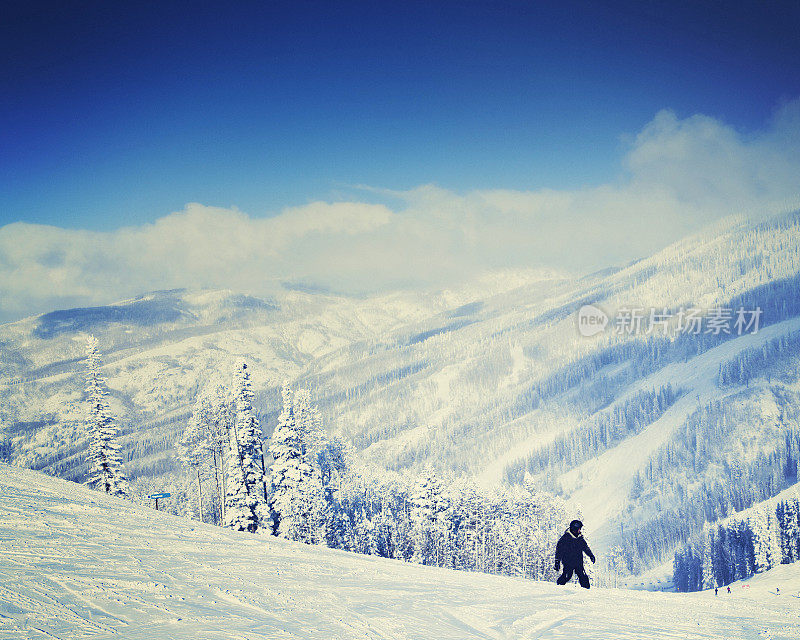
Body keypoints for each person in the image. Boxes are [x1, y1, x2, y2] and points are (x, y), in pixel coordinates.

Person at [555, 519, 595, 589]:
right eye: (579, 529)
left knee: (582, 576)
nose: (580, 530)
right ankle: (558, 588)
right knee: (567, 576)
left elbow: (585, 548)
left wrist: (591, 555)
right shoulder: (565, 538)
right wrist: (557, 561)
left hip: (578, 562)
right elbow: (559, 551)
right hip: (568, 562)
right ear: (574, 529)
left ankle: (587, 591)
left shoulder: (580, 538)